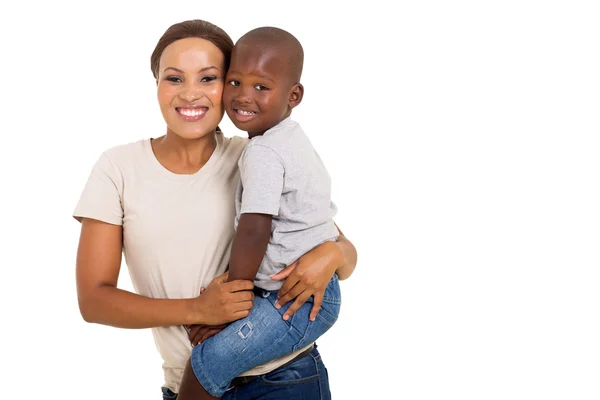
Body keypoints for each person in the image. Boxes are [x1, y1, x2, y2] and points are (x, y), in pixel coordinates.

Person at [73, 19, 357, 400]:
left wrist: (332, 253)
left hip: (286, 379)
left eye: (208, 78)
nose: (191, 94)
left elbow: (343, 254)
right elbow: (94, 301)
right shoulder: (118, 169)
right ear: (156, 83)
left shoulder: (256, 156)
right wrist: (199, 310)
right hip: (191, 383)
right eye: (174, 78)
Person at [176, 27, 342, 400]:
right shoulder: (291, 137)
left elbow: (254, 227)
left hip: (297, 299)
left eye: (261, 87)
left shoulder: (265, 152)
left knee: (207, 363)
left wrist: (234, 298)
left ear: (293, 95)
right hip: (294, 294)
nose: (243, 96)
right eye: (235, 82)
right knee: (211, 360)